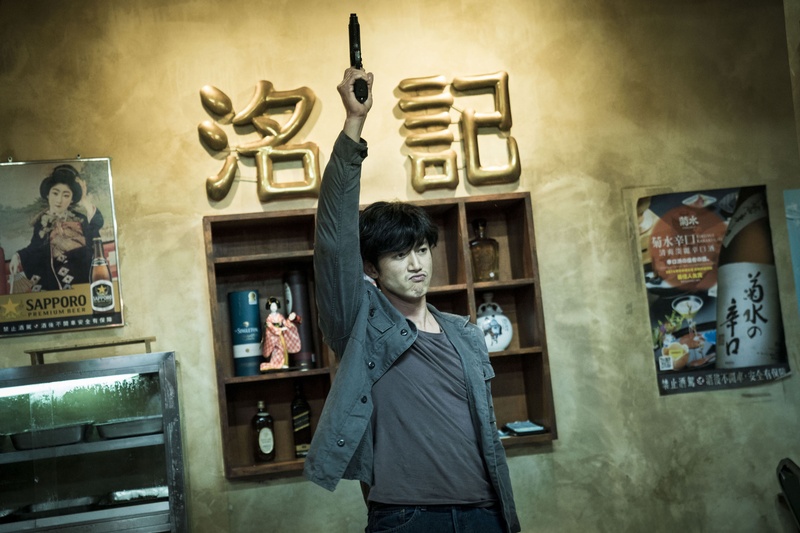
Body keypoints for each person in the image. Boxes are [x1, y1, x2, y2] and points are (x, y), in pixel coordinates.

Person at [304, 67, 521, 533]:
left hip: (485, 513)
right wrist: (354, 122)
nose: (416, 264)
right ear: (372, 268)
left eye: (421, 249)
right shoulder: (360, 325)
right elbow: (335, 240)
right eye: (399, 255)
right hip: (407, 517)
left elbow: (486, 436)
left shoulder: (465, 334)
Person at [9, 164, 103, 292]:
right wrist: (17, 256)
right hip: (56, 281)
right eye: (55, 193)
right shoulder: (42, 223)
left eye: (66, 195)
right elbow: (34, 248)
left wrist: (85, 200)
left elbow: (96, 227)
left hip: (82, 278)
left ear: (72, 199)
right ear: (48, 194)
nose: (59, 200)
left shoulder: (80, 219)